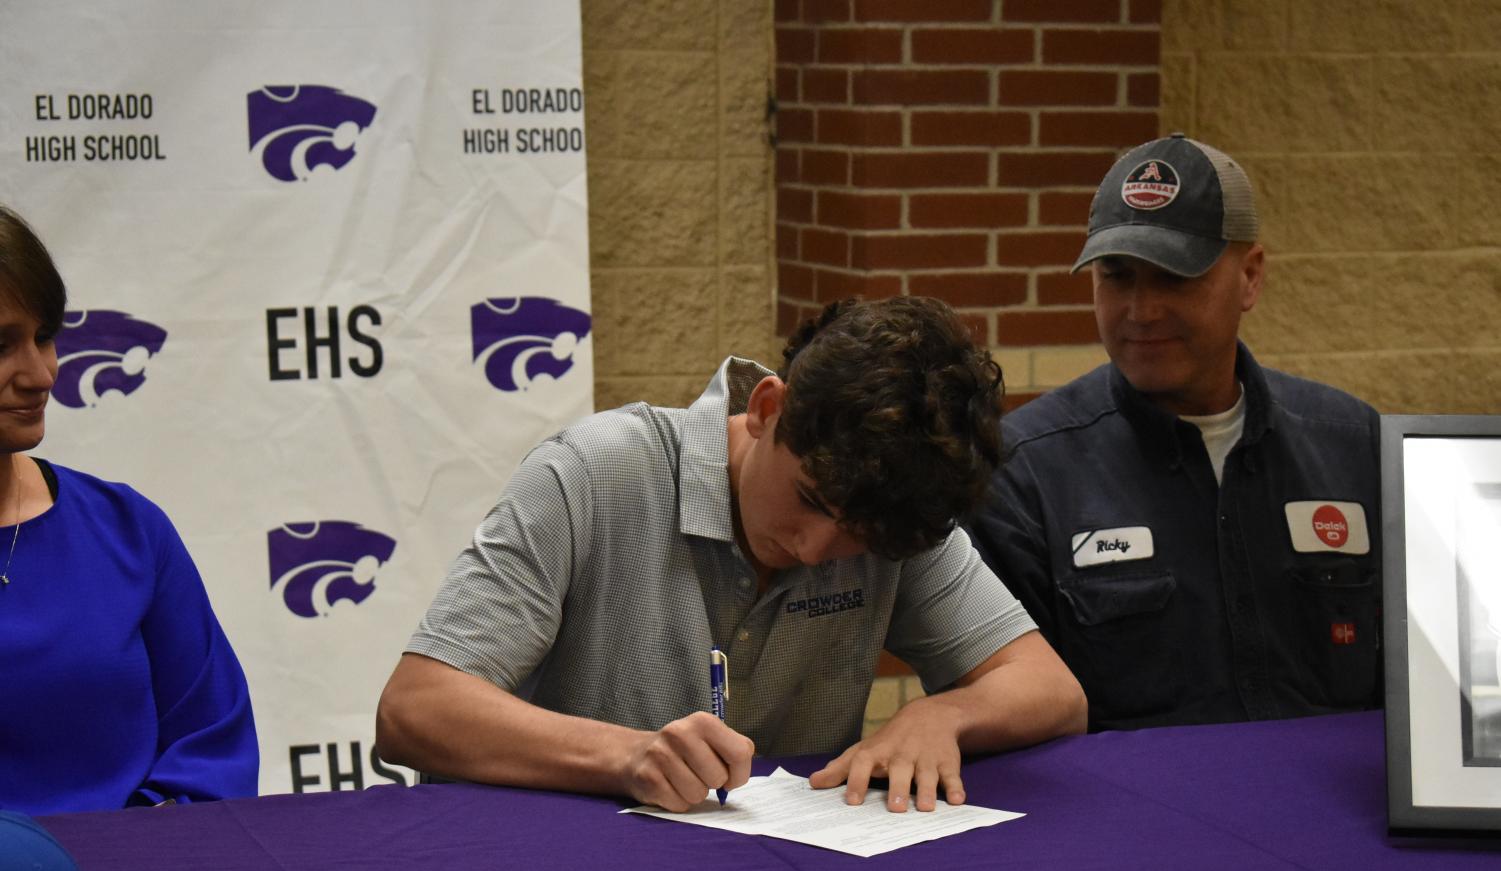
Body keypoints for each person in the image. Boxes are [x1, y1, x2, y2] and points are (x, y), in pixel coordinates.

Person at [377, 296, 1087, 813]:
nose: (815, 548)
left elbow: (1052, 694)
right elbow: (415, 710)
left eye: (856, 540)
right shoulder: (592, 474)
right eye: (809, 500)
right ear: (767, 408)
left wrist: (943, 715)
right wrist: (624, 756)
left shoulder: (895, 514)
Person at [970, 134, 1382, 732]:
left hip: (1335, 819)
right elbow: (1011, 724)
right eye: (1117, 277)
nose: (1141, 310)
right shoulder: (1024, 473)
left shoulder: (1356, 447)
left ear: (1251, 277)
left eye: (1173, 279)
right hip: (1132, 822)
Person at [0, 204, 258, 813]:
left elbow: (211, 751)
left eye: (44, 337)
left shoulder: (128, 531)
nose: (41, 374)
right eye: (1, 344)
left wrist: (127, 869)